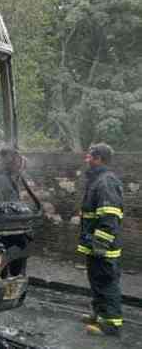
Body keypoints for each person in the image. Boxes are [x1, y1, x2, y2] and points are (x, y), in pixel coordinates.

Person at [77, 143, 124, 336]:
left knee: (106, 282)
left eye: (89, 156)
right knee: (97, 280)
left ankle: (111, 325)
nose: (86, 159)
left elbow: (109, 216)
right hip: (93, 245)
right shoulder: (97, 180)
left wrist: (100, 245)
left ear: (98, 159)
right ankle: (99, 314)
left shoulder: (105, 181)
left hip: (103, 247)